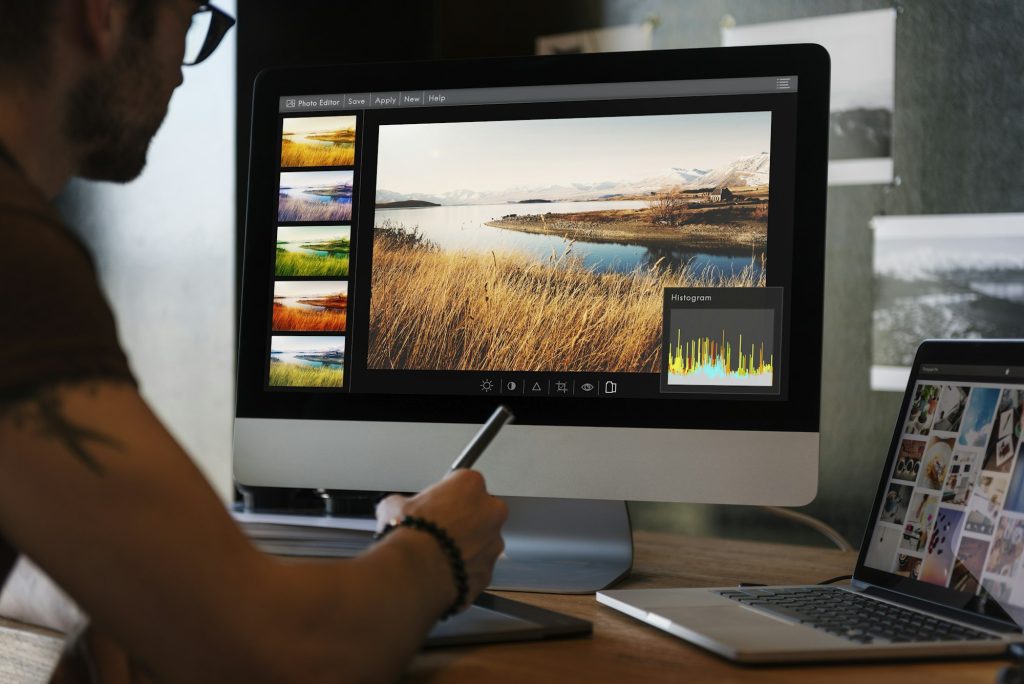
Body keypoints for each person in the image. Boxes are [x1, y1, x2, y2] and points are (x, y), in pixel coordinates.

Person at [0, 1, 508, 681]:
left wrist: (97, 589)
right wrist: (439, 549)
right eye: (188, 22)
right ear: (106, 16)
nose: (182, 76)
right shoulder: (19, 260)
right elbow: (286, 649)